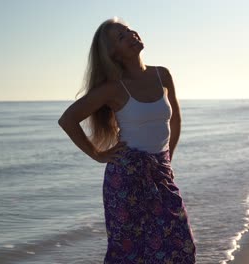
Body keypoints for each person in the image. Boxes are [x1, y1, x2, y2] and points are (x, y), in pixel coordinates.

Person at [58, 17, 196, 263]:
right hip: (126, 177)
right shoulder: (113, 88)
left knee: (180, 244)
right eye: (121, 37)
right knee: (129, 251)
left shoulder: (162, 75)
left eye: (129, 30)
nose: (131, 35)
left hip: (160, 170)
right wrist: (98, 154)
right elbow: (68, 119)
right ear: (113, 53)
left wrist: (168, 160)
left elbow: (175, 121)